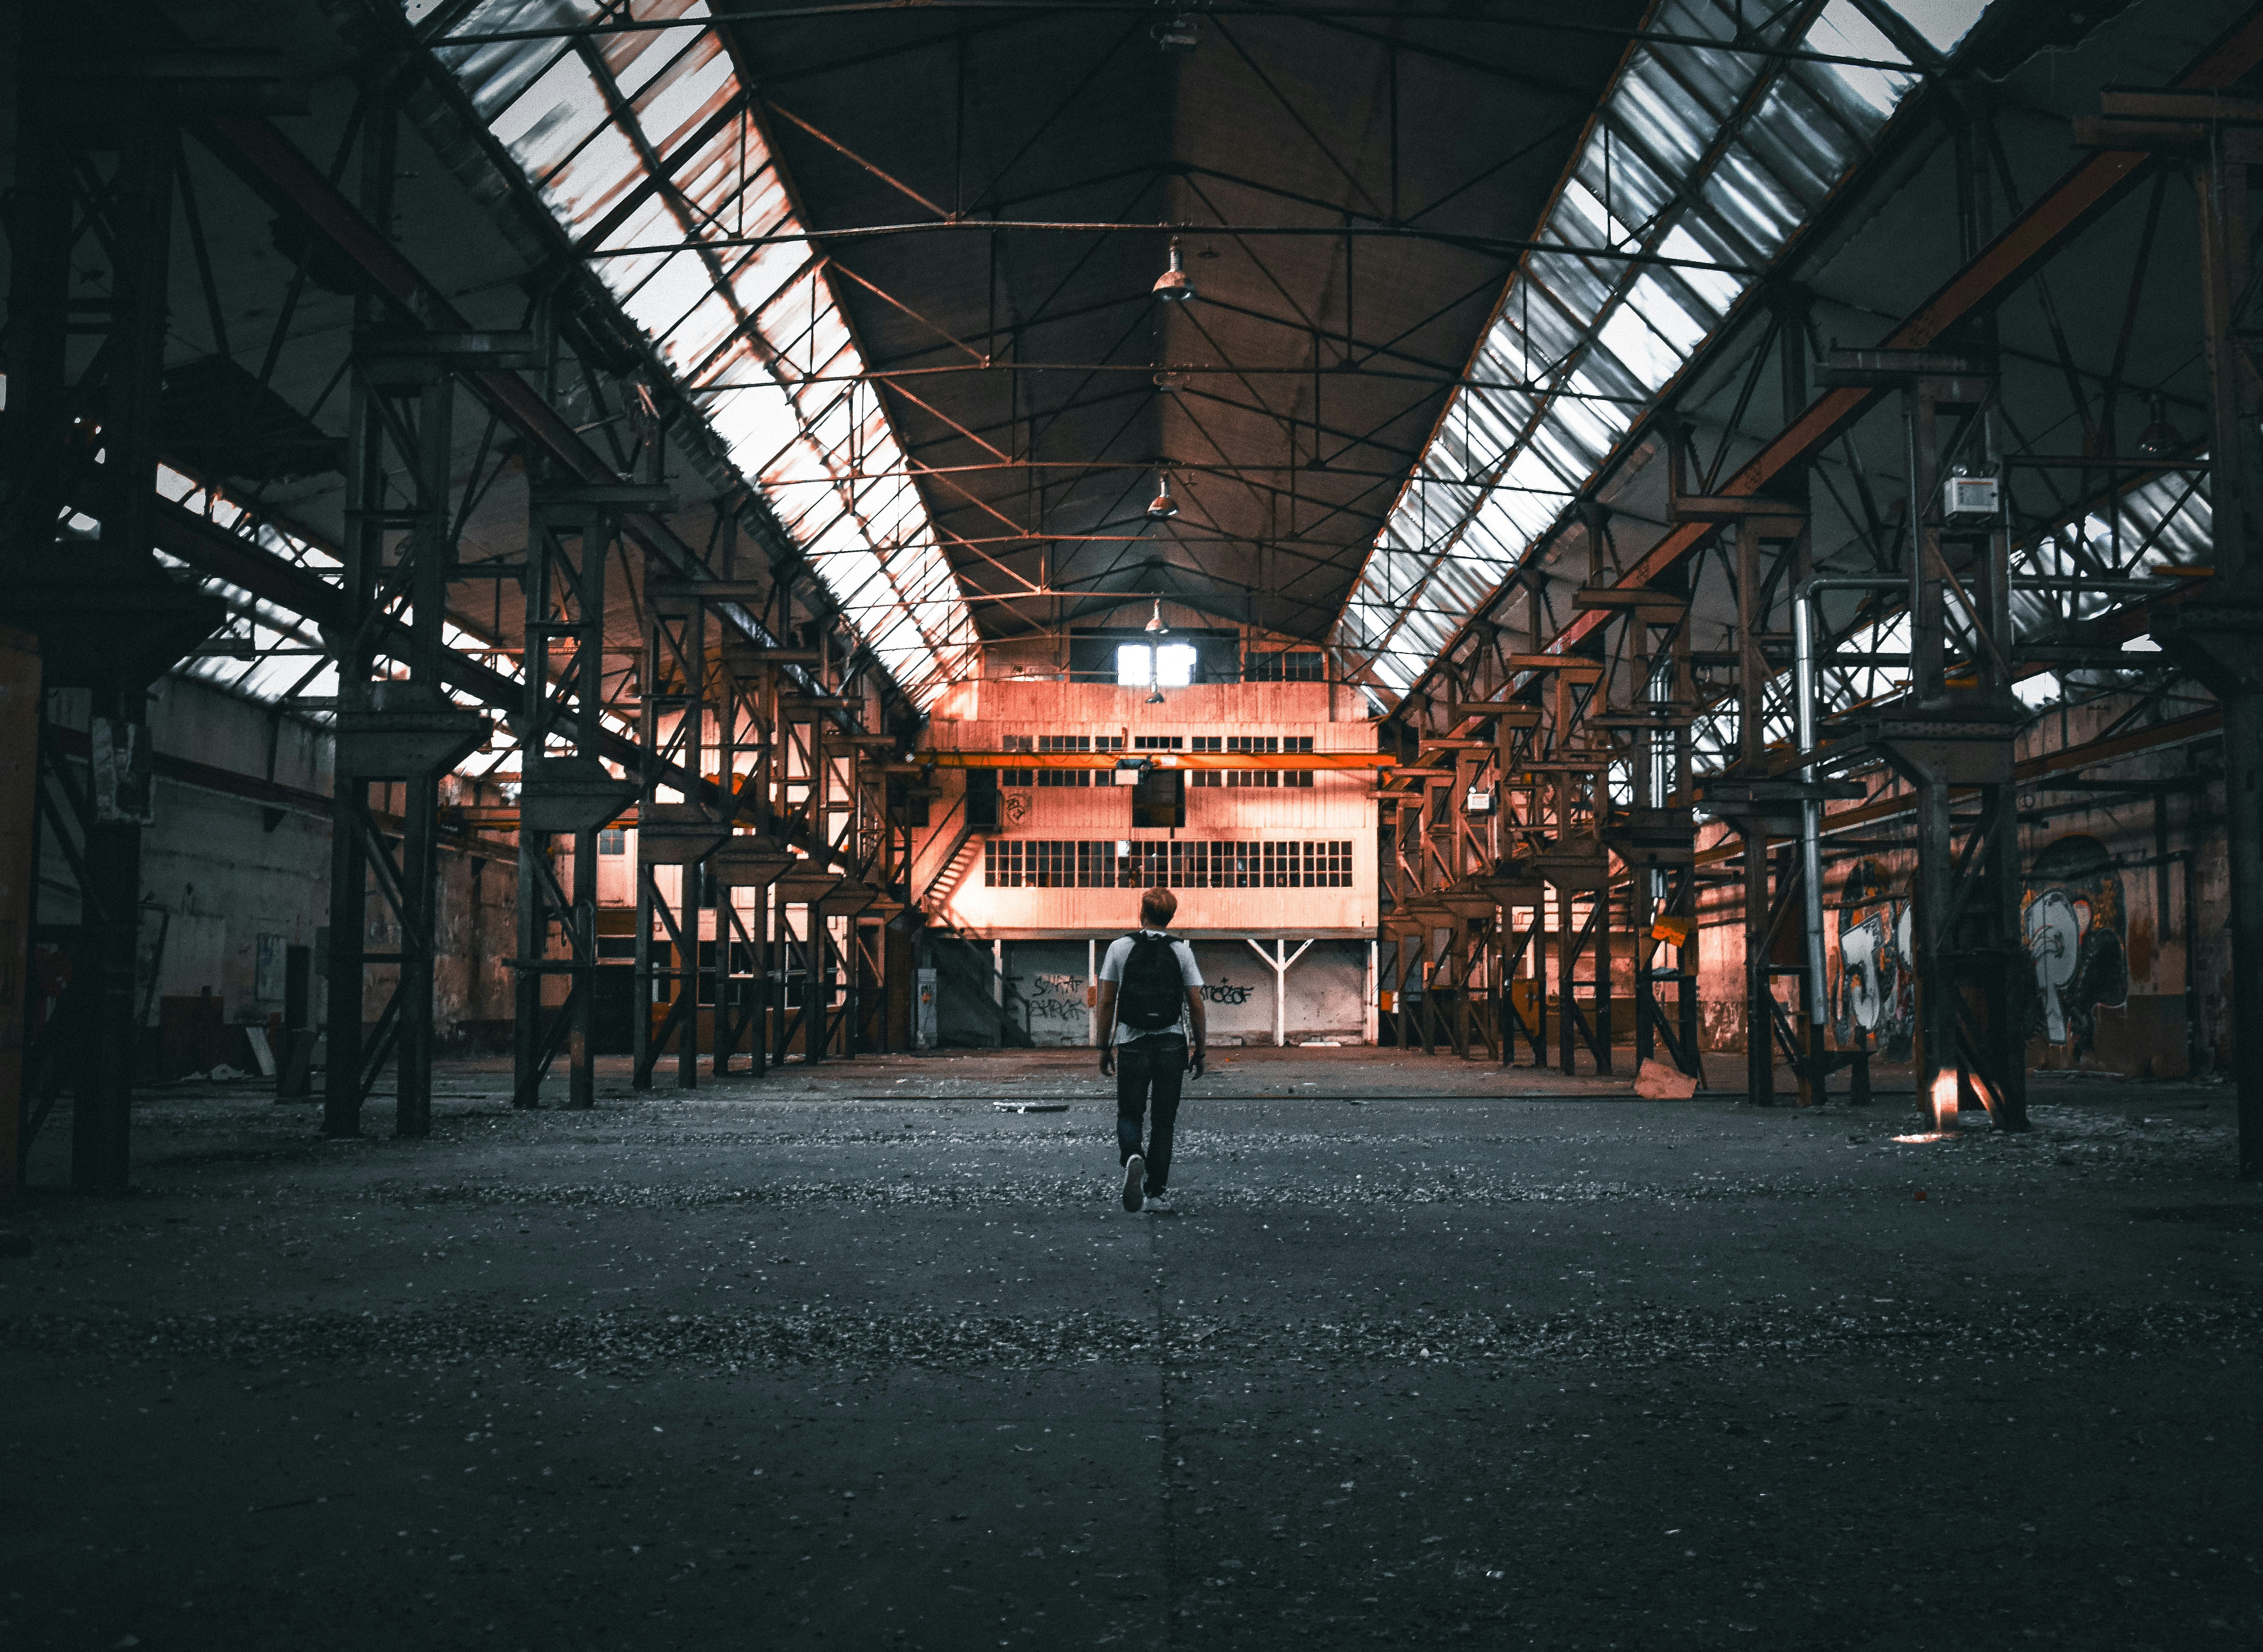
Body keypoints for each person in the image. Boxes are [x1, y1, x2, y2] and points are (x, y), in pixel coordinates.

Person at [1094, 886, 1207, 1213]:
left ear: (1141, 913)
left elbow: (1106, 1001)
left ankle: (1132, 1154)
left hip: (1132, 1041)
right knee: (1164, 1122)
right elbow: (1196, 1004)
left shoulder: (1120, 947)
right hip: (1172, 1043)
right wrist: (1199, 1052)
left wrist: (1104, 1046)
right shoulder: (1181, 951)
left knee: (1130, 1113)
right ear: (1170, 917)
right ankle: (1155, 1194)